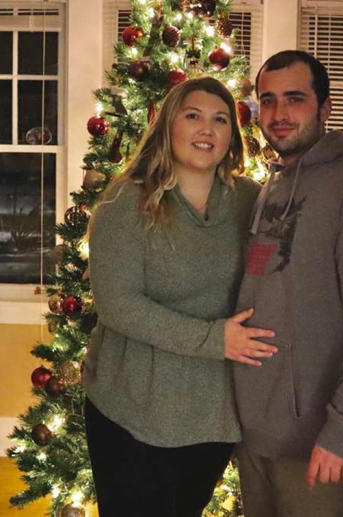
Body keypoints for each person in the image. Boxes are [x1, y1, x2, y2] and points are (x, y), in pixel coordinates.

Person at [231, 50, 343, 516]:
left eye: (294, 98)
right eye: (267, 101)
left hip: (321, 444)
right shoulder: (270, 185)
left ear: (325, 106)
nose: (278, 114)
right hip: (256, 435)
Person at [84, 77, 278, 516]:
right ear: (168, 126)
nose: (206, 129)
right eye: (193, 116)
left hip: (212, 414)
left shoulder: (251, 200)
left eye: (220, 119)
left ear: (232, 136)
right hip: (131, 409)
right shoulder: (125, 202)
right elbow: (118, 305)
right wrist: (214, 340)